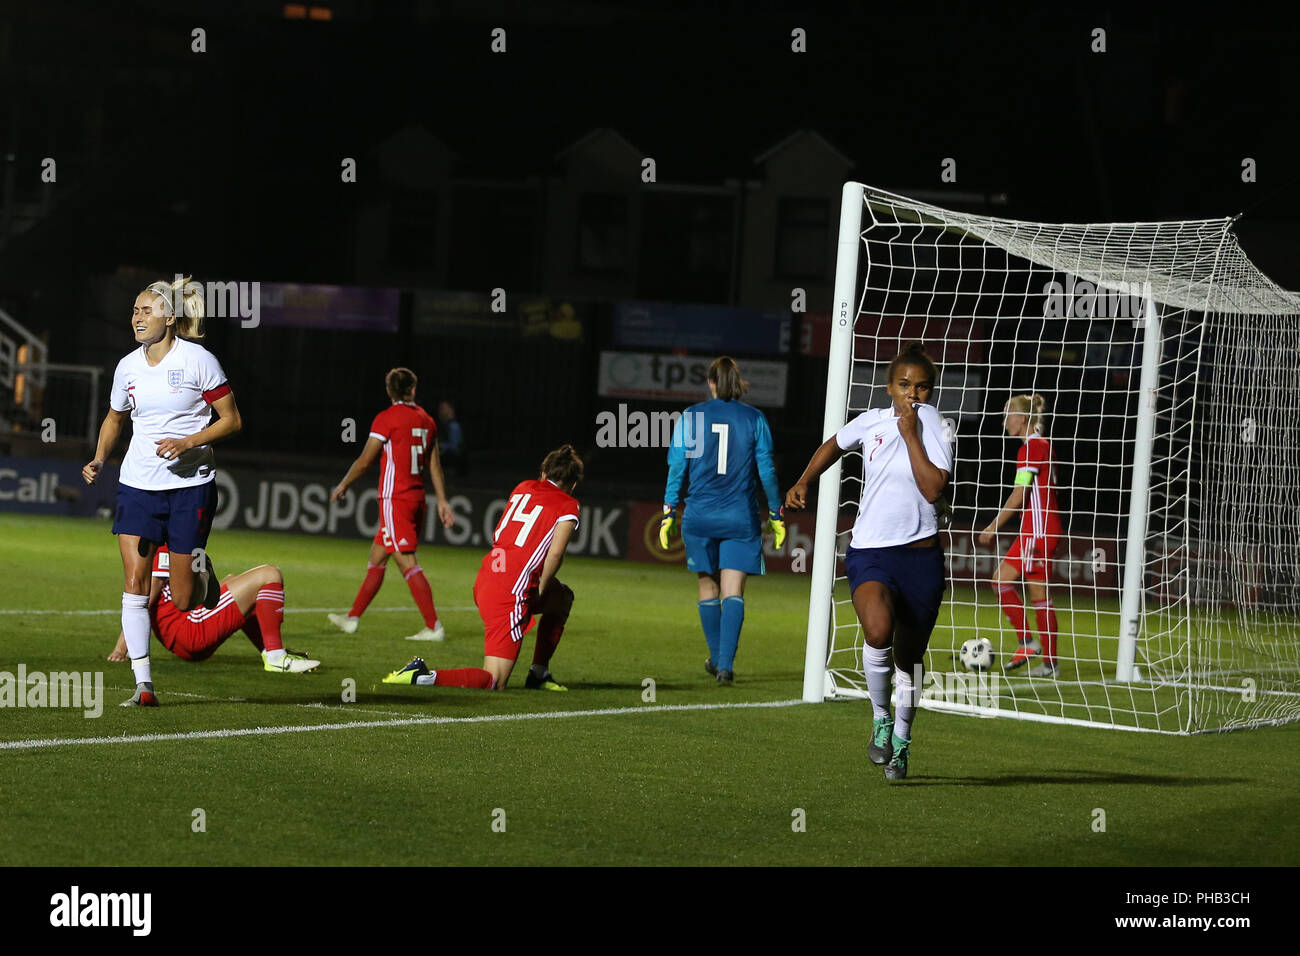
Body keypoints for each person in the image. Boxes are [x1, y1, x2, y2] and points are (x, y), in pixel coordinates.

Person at [784, 343, 952, 780]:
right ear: (889, 385)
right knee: (877, 630)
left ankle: (901, 740)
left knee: (909, 660)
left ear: (930, 392)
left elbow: (934, 489)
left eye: (921, 387)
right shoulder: (871, 422)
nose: (911, 394)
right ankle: (880, 719)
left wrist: (912, 434)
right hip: (870, 552)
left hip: (921, 560)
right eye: (903, 385)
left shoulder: (935, 426)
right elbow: (833, 445)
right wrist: (804, 480)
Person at [83, 276, 243, 707]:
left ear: (170, 317)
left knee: (186, 599)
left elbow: (231, 420)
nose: (138, 316)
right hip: (137, 486)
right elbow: (116, 419)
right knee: (134, 583)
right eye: (135, 310)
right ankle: (144, 684)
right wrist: (99, 457)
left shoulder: (198, 360)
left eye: (147, 309)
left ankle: (200, 571)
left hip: (190, 488)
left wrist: (189, 442)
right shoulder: (127, 367)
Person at [383, 444, 583, 691]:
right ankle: (422, 675)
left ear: (543, 474)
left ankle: (538, 674)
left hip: (489, 575)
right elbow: (556, 552)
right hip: (511, 592)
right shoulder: (569, 505)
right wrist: (540, 586)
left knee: (562, 598)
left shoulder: (523, 487)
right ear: (573, 485)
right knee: (495, 680)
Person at [658, 356, 784, 685]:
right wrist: (776, 513)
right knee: (733, 590)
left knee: (707, 586)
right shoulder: (754, 418)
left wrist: (669, 511)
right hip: (739, 517)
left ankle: (715, 658)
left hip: (699, 515)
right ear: (737, 383)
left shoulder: (691, 417)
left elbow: (677, 467)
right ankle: (725, 665)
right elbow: (767, 471)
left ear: (711, 383)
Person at [327, 368, 455, 641]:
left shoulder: (387, 419)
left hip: (395, 500)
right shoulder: (427, 421)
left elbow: (364, 461)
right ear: (413, 389)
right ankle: (353, 618)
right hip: (417, 499)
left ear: (389, 391)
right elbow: (436, 466)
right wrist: (442, 500)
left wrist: (343, 484)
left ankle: (434, 627)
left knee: (407, 561)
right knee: (377, 556)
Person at [107, 546, 319, 672]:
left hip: (183, 634)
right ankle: (275, 657)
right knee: (270, 574)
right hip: (189, 629)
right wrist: (121, 648)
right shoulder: (167, 542)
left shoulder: (174, 537)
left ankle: (270, 650)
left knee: (233, 581)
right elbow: (147, 594)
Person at [979, 394, 1062, 677]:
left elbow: (1019, 494)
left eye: (1008, 416)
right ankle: (1030, 644)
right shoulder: (1038, 446)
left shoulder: (1032, 448)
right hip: (1034, 530)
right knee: (1001, 582)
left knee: (1038, 595)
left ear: (1023, 419)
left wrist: (993, 526)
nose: (1005, 423)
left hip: (1038, 532)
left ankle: (1047, 661)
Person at [436, 400, 466, 476]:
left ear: (451, 410)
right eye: (440, 409)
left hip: (453, 460)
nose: (441, 411)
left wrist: (440, 446)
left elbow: (455, 446)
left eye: (444, 408)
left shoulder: (453, 426)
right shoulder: (443, 424)